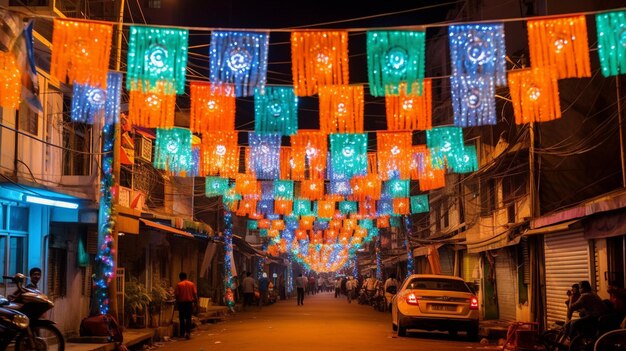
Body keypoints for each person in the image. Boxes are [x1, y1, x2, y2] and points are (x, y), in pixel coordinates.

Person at [174, 272, 197, 340]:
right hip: (189, 303)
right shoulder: (191, 284)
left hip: (181, 304)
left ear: (180, 277)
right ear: (186, 277)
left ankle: (182, 333)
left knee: (181, 319)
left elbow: (177, 295)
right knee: (188, 318)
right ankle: (188, 333)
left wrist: (176, 302)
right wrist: (196, 303)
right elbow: (195, 294)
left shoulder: (179, 285)